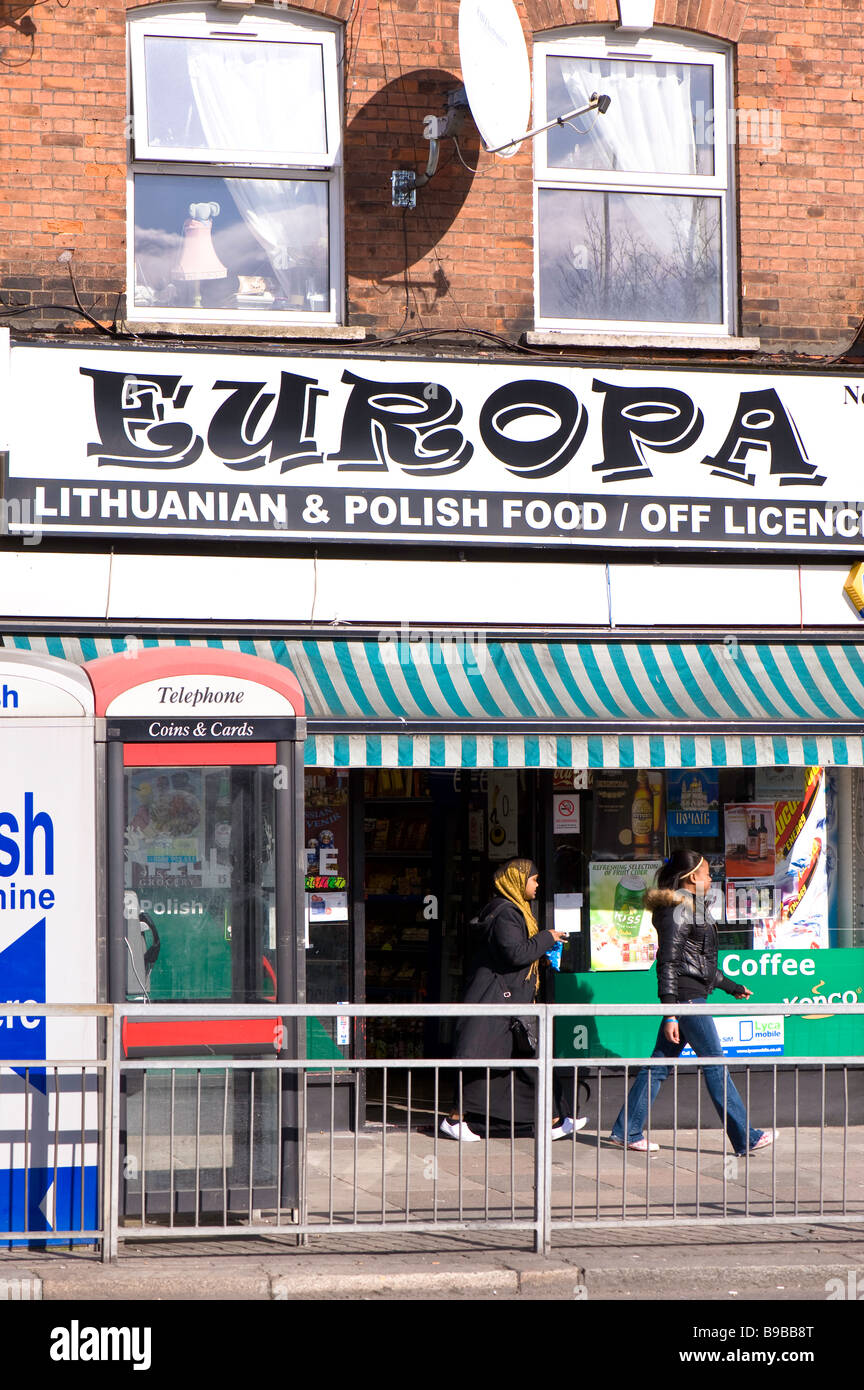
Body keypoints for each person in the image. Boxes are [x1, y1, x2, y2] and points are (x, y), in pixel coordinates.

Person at [608, 850, 779, 1156]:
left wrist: (732, 986)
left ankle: (626, 1130)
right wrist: (672, 1012)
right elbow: (669, 962)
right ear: (691, 877)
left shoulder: (692, 908)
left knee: (658, 1065)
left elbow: (699, 963)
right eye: (707, 873)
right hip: (686, 999)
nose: (712, 877)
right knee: (715, 1063)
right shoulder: (677, 909)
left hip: (688, 996)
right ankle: (745, 1137)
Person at [440, 857, 588, 1142]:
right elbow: (515, 953)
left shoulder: (513, 912)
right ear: (517, 882)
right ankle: (454, 1119)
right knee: (487, 1063)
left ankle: (556, 1119)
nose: (537, 884)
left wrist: (541, 956)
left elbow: (518, 955)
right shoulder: (506, 913)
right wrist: (547, 937)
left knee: (528, 1064)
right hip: (499, 1005)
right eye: (533, 879)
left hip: (511, 1005)